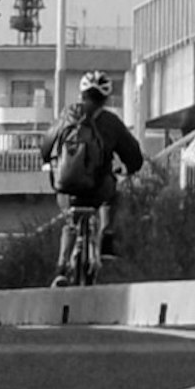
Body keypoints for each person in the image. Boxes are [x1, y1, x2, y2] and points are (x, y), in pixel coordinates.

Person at [49, 70, 142, 287]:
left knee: (70, 221)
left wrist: (50, 163)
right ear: (105, 98)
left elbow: (46, 146)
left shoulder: (66, 116)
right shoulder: (111, 122)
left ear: (82, 94)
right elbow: (134, 157)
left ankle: (62, 267)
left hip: (66, 189)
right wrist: (129, 169)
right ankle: (106, 237)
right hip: (98, 189)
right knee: (112, 196)